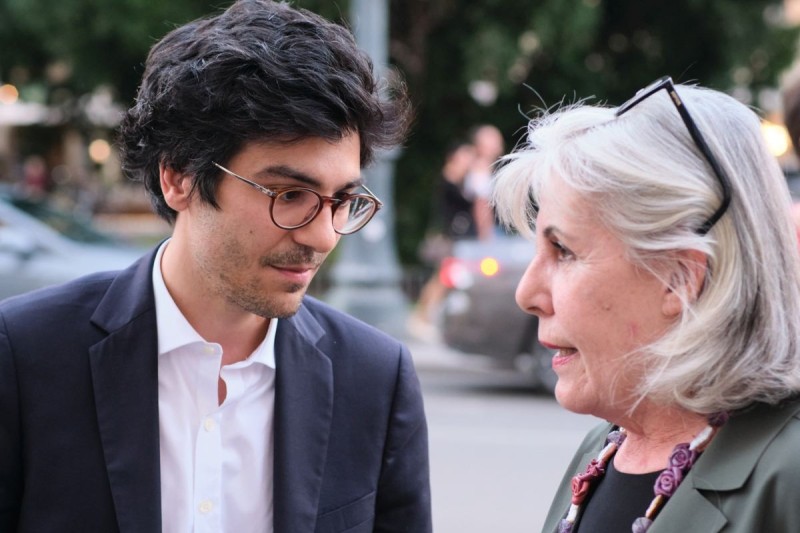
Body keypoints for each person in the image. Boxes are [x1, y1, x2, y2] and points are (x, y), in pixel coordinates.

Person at [0, 1, 432, 532]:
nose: (322, 235)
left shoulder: (374, 377)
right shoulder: (23, 355)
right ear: (178, 177)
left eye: (342, 199)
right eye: (289, 193)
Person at [492, 77, 800, 532]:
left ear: (678, 278)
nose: (528, 294)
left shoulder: (788, 472)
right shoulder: (606, 445)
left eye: (564, 251)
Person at [409, 140, 477, 340]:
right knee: (441, 280)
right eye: (466, 156)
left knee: (443, 279)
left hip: (454, 238)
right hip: (449, 238)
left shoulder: (460, 180)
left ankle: (424, 317)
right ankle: (421, 318)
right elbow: (460, 205)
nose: (469, 161)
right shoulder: (450, 179)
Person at [465, 124, 505, 239]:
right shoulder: (480, 170)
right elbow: (481, 204)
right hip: (487, 231)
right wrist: (486, 235)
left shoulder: (485, 168)